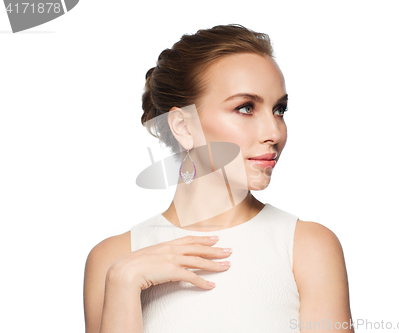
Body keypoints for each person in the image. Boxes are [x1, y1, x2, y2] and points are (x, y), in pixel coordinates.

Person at [83, 24, 354, 333]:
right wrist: (124, 283)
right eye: (246, 108)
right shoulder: (114, 260)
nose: (274, 133)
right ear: (183, 127)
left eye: (279, 109)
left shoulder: (308, 247)